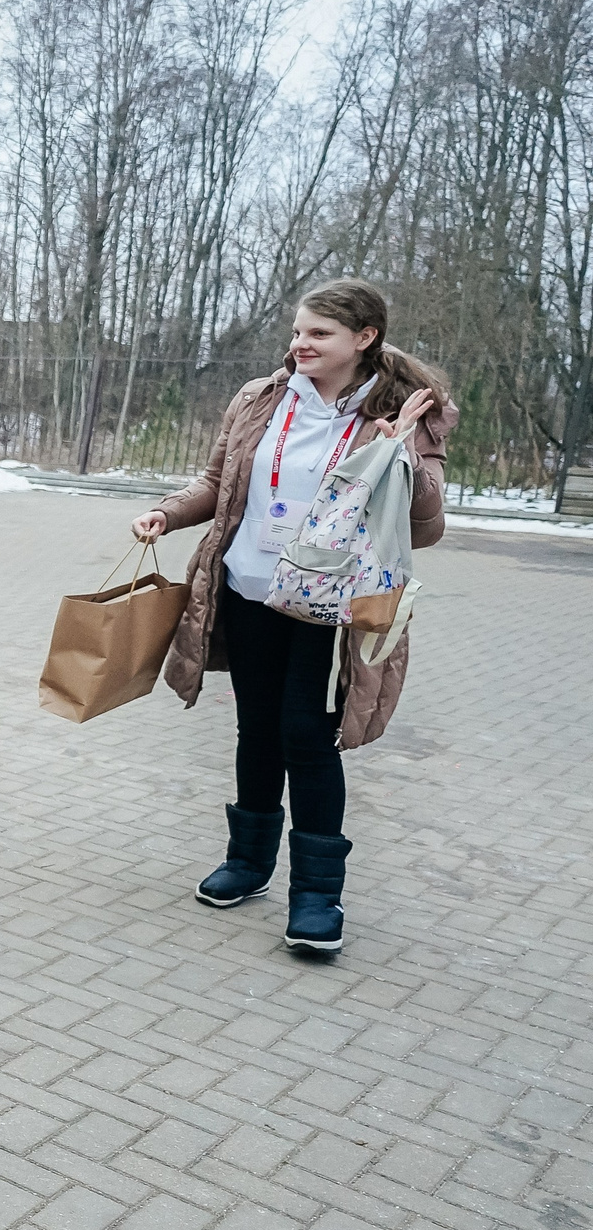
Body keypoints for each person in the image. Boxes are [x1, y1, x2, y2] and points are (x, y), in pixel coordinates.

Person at [133, 278, 453, 957]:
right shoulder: (261, 398)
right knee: (257, 729)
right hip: (248, 586)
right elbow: (220, 484)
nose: (299, 344)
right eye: (298, 331)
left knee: (306, 735)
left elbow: (424, 527)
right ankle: (249, 863)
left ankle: (316, 894)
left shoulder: (399, 411)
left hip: (327, 604)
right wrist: (167, 510)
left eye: (318, 334)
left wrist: (397, 453)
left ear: (363, 338)